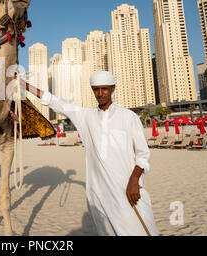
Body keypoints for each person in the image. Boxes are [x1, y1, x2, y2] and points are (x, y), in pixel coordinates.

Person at [21, 70, 158, 236]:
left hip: (128, 191)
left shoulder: (129, 117)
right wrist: (23, 85)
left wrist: (134, 180)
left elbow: (143, 154)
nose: (100, 93)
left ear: (113, 88)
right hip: (99, 195)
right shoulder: (86, 116)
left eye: (104, 89)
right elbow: (55, 101)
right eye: (96, 89)